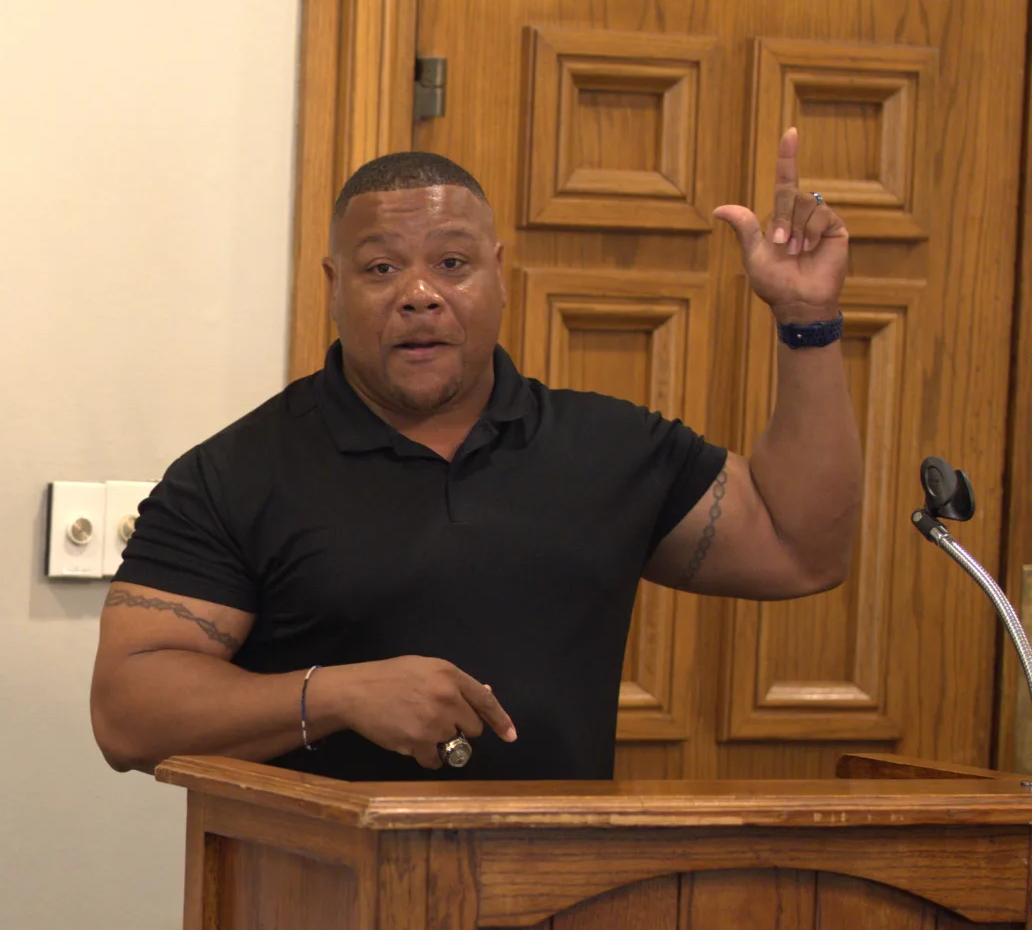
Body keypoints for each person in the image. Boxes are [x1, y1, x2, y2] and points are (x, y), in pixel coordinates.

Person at [91, 130, 860, 780]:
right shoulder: (236, 474)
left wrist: (808, 318)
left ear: (500, 276)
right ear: (334, 286)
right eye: (382, 268)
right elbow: (128, 716)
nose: (419, 294)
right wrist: (333, 696)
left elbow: (801, 551)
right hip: (315, 920)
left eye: (452, 264)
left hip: (563, 910)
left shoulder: (610, 450)